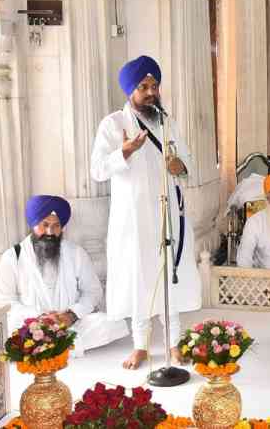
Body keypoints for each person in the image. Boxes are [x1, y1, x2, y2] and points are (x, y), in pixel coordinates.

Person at [90, 55, 200, 369]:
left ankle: (174, 343)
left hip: (169, 214)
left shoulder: (168, 122)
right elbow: (97, 169)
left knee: (170, 275)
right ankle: (140, 346)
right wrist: (124, 151)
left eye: (154, 85)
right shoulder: (114, 124)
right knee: (140, 275)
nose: (151, 92)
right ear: (130, 91)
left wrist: (180, 166)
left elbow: (187, 161)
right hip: (134, 219)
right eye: (143, 87)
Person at [0, 195, 130, 356]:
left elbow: (93, 292)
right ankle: (59, 345)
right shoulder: (12, 257)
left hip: (70, 325)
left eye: (56, 226)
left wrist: (71, 315)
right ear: (33, 225)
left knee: (109, 323)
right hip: (32, 325)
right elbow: (5, 302)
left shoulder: (75, 253)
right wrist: (39, 317)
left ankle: (46, 347)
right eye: (45, 225)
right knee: (9, 331)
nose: (50, 232)